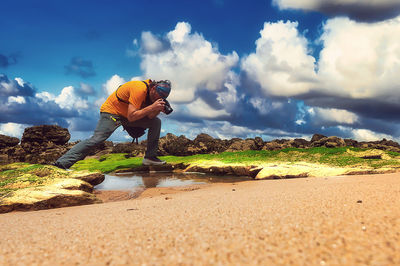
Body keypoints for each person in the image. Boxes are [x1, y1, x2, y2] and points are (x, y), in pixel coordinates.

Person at [54, 79, 171, 169]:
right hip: (112, 112)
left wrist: (157, 109)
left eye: (163, 97)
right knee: (97, 139)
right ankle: (61, 164)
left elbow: (150, 117)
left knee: (156, 122)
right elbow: (132, 116)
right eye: (158, 95)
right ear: (154, 88)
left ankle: (150, 157)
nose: (159, 98)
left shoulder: (154, 97)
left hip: (127, 115)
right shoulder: (139, 88)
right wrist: (152, 107)